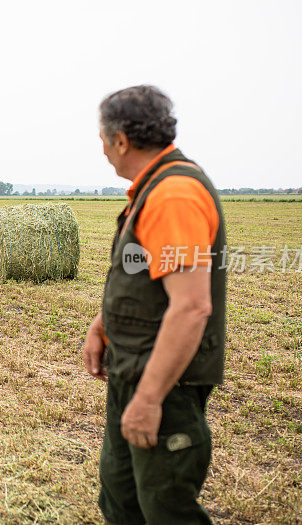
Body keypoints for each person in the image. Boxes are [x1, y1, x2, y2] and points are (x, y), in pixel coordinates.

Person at [82, 85, 227, 524]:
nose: (102, 147)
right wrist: (103, 324)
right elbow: (146, 278)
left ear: (120, 140)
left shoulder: (173, 194)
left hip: (165, 385)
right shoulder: (151, 191)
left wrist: (148, 399)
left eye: (102, 137)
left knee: (165, 509)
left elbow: (190, 307)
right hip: (134, 370)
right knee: (123, 499)